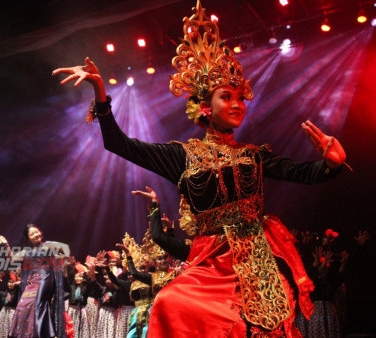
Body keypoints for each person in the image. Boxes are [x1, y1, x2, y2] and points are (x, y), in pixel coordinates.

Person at [52, 0, 348, 336]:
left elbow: (302, 173)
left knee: (257, 324)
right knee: (170, 303)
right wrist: (101, 94)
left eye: (240, 97)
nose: (237, 104)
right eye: (227, 97)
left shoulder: (254, 155)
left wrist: (331, 165)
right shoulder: (183, 157)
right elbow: (119, 144)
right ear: (206, 107)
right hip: (210, 262)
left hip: (256, 258)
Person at [0, 224, 68, 338]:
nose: (36, 235)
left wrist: (61, 260)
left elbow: (65, 248)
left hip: (45, 278)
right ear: (28, 238)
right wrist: (5, 244)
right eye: (32, 234)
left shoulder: (47, 245)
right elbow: (12, 258)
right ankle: (30, 334)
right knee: (22, 306)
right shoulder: (27, 252)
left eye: (36, 232)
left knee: (38, 304)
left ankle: (39, 334)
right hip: (32, 282)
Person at [0, 271, 21, 338]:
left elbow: (23, 284)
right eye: (9, 282)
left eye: (12, 282)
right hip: (3, 313)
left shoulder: (18, 293)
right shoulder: (3, 294)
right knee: (0, 332)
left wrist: (17, 280)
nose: (10, 284)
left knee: (11, 332)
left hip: (13, 314)